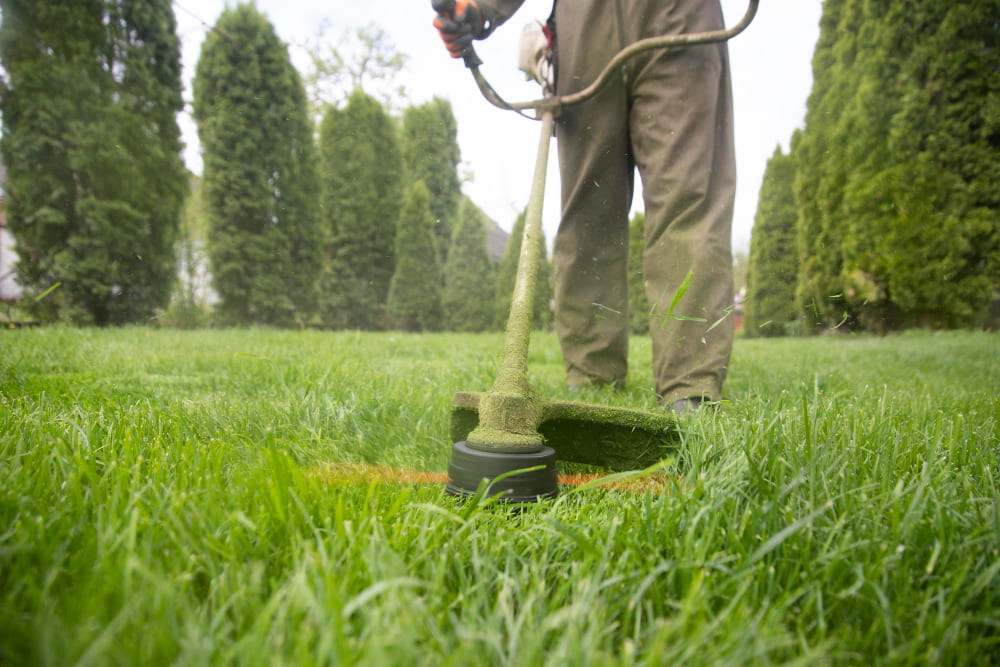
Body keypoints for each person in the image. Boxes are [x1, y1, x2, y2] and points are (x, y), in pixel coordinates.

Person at [432, 0, 736, 415]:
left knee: (689, 198)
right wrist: (482, 7)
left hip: (680, 16)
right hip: (584, 23)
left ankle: (691, 387)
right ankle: (592, 376)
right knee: (588, 209)